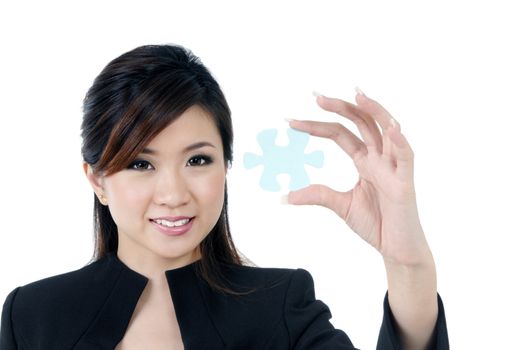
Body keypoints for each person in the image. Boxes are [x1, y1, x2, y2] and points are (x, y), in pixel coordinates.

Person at [0, 44, 449, 349]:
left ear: (227, 166)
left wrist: (408, 263)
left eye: (198, 160)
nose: (174, 194)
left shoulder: (281, 308)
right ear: (96, 179)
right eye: (141, 164)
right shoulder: (33, 317)